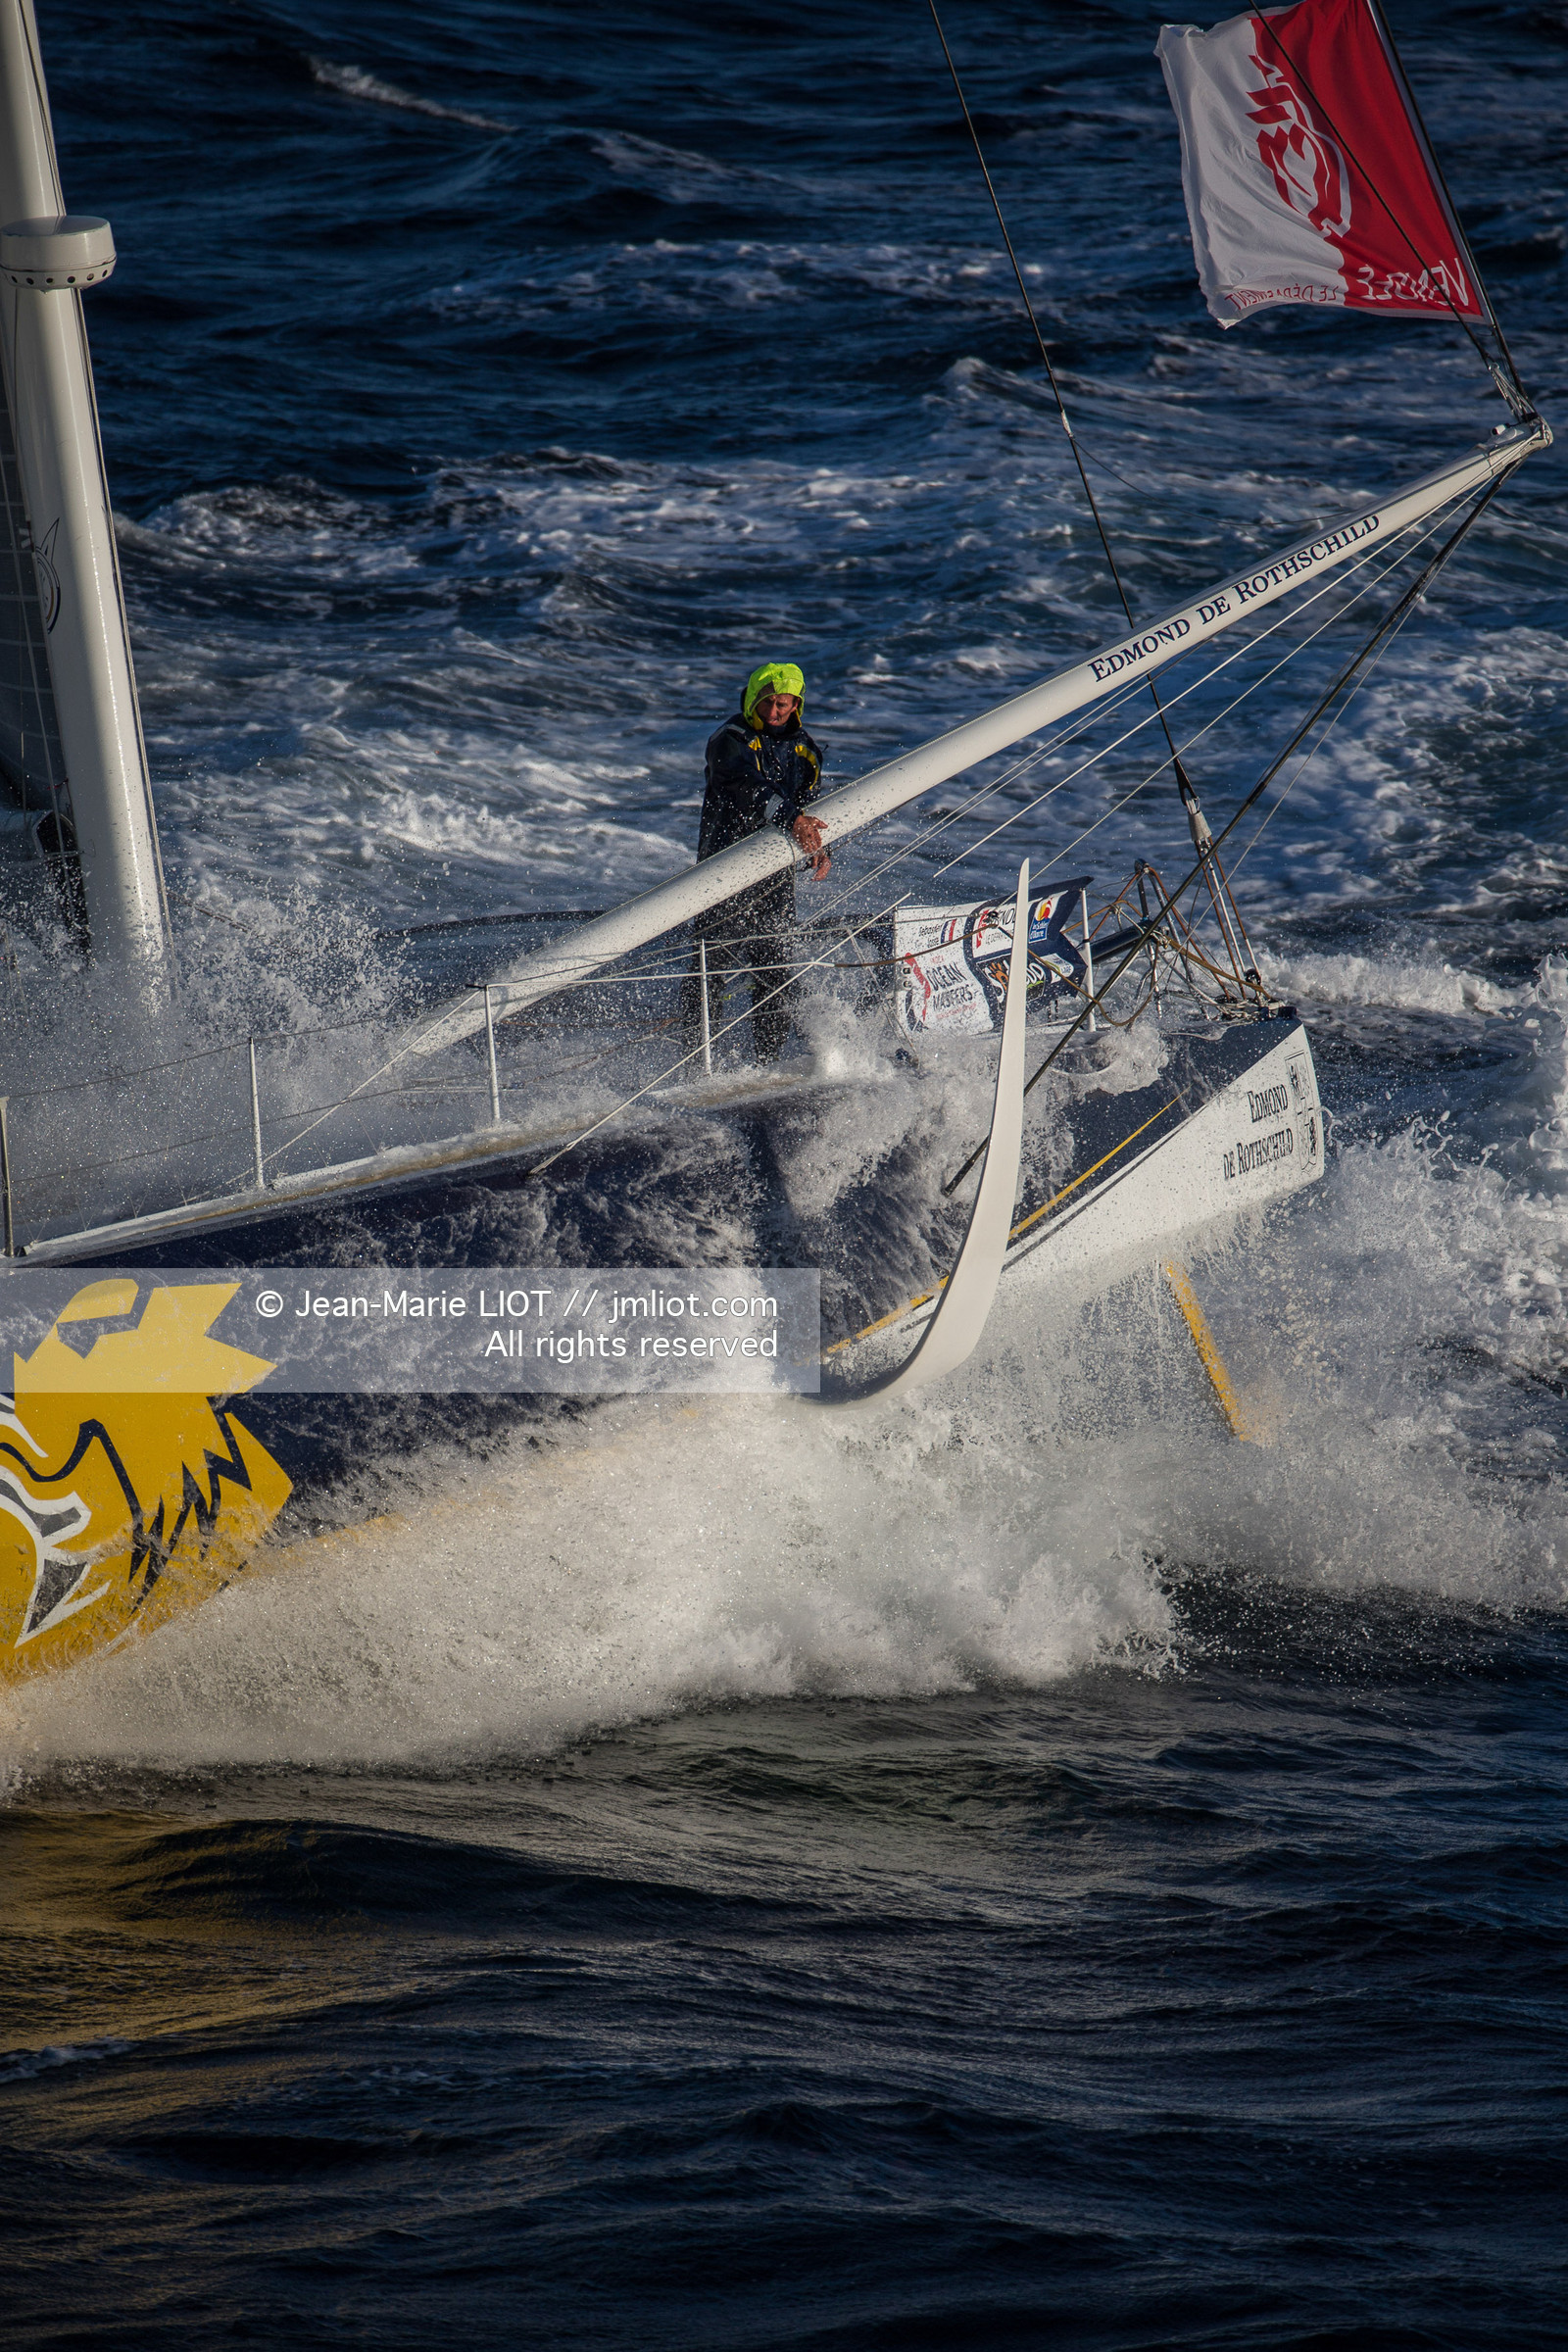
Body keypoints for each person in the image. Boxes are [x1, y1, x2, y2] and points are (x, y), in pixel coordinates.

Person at [681, 661, 830, 1063]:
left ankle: (767, 1061)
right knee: (710, 970)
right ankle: (695, 1063)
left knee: (776, 970)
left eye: (784, 704)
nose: (776, 712)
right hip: (722, 872)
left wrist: (819, 844)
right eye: (767, 702)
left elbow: (811, 806)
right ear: (753, 699)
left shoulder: (806, 750)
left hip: (773, 877)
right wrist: (794, 819)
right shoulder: (729, 739)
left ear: (796, 704)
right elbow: (747, 787)